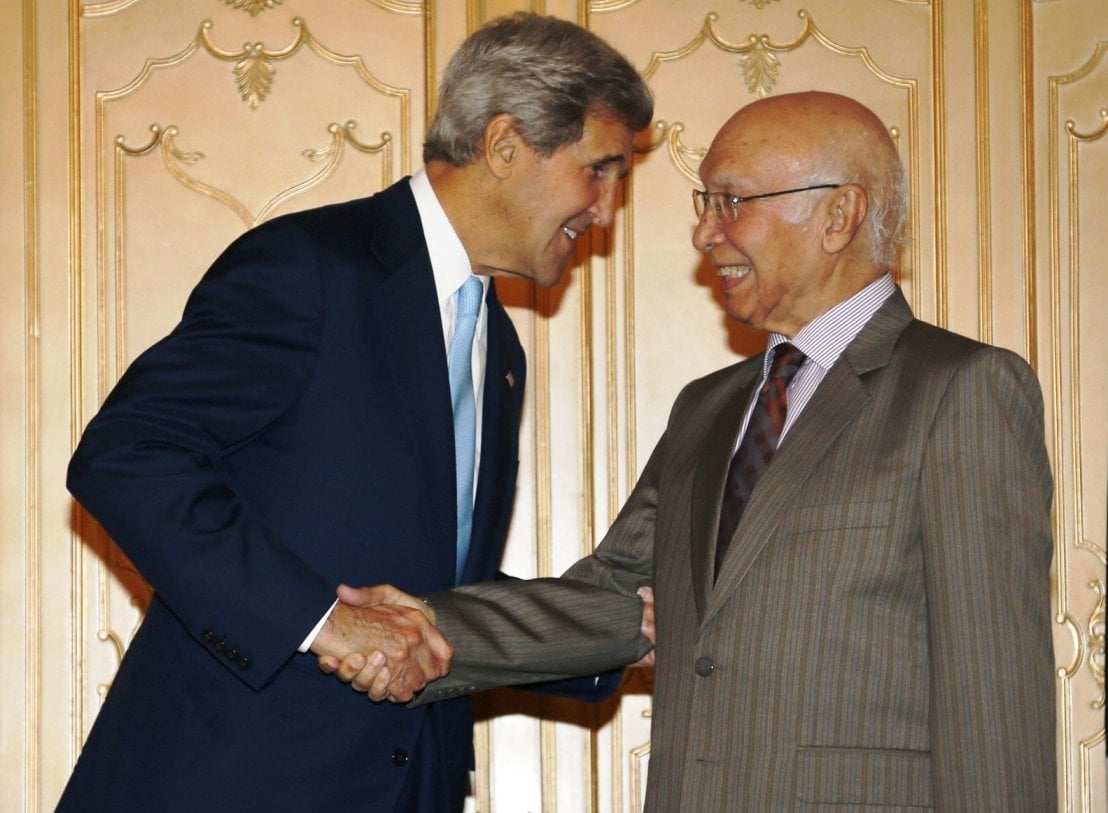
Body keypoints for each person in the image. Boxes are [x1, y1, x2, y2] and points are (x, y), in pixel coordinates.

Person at [330, 91, 1057, 811]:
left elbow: (993, 704)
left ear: (839, 215)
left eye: (732, 201)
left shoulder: (961, 391)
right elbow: (609, 603)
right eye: (703, 203)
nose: (704, 233)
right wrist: (417, 625)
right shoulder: (709, 406)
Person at [60, 13, 653, 812]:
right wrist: (318, 621)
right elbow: (128, 455)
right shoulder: (310, 269)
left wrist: (617, 629)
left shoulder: (498, 351)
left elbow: (435, 594)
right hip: (230, 781)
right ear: (507, 145)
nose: (607, 210)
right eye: (599, 170)